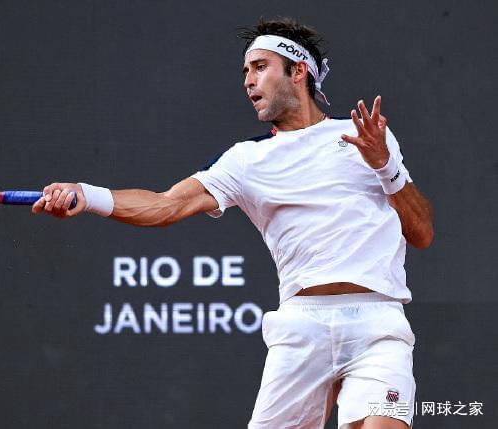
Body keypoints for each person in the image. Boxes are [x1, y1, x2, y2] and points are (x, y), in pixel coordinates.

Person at [33, 17, 433, 429]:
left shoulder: (365, 137)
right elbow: (166, 205)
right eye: (245, 71)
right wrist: (87, 194)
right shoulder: (245, 160)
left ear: (298, 71)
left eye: (260, 67)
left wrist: (385, 165)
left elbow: (422, 233)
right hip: (301, 326)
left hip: (377, 324)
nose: (248, 81)